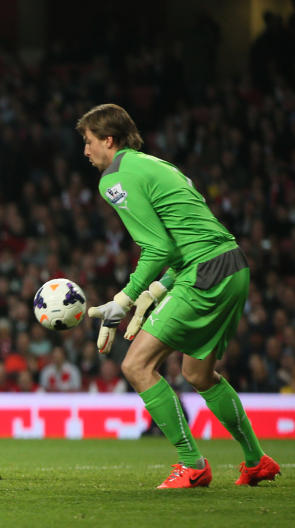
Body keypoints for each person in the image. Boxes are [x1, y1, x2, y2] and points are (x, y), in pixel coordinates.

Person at [78, 103, 280, 489]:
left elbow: (160, 248)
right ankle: (256, 461)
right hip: (233, 265)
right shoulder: (154, 165)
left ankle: (192, 464)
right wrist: (153, 292)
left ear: (108, 140)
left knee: (136, 366)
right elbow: (183, 239)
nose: (85, 152)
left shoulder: (115, 178)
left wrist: (124, 299)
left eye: (88, 142)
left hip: (204, 270)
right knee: (198, 374)